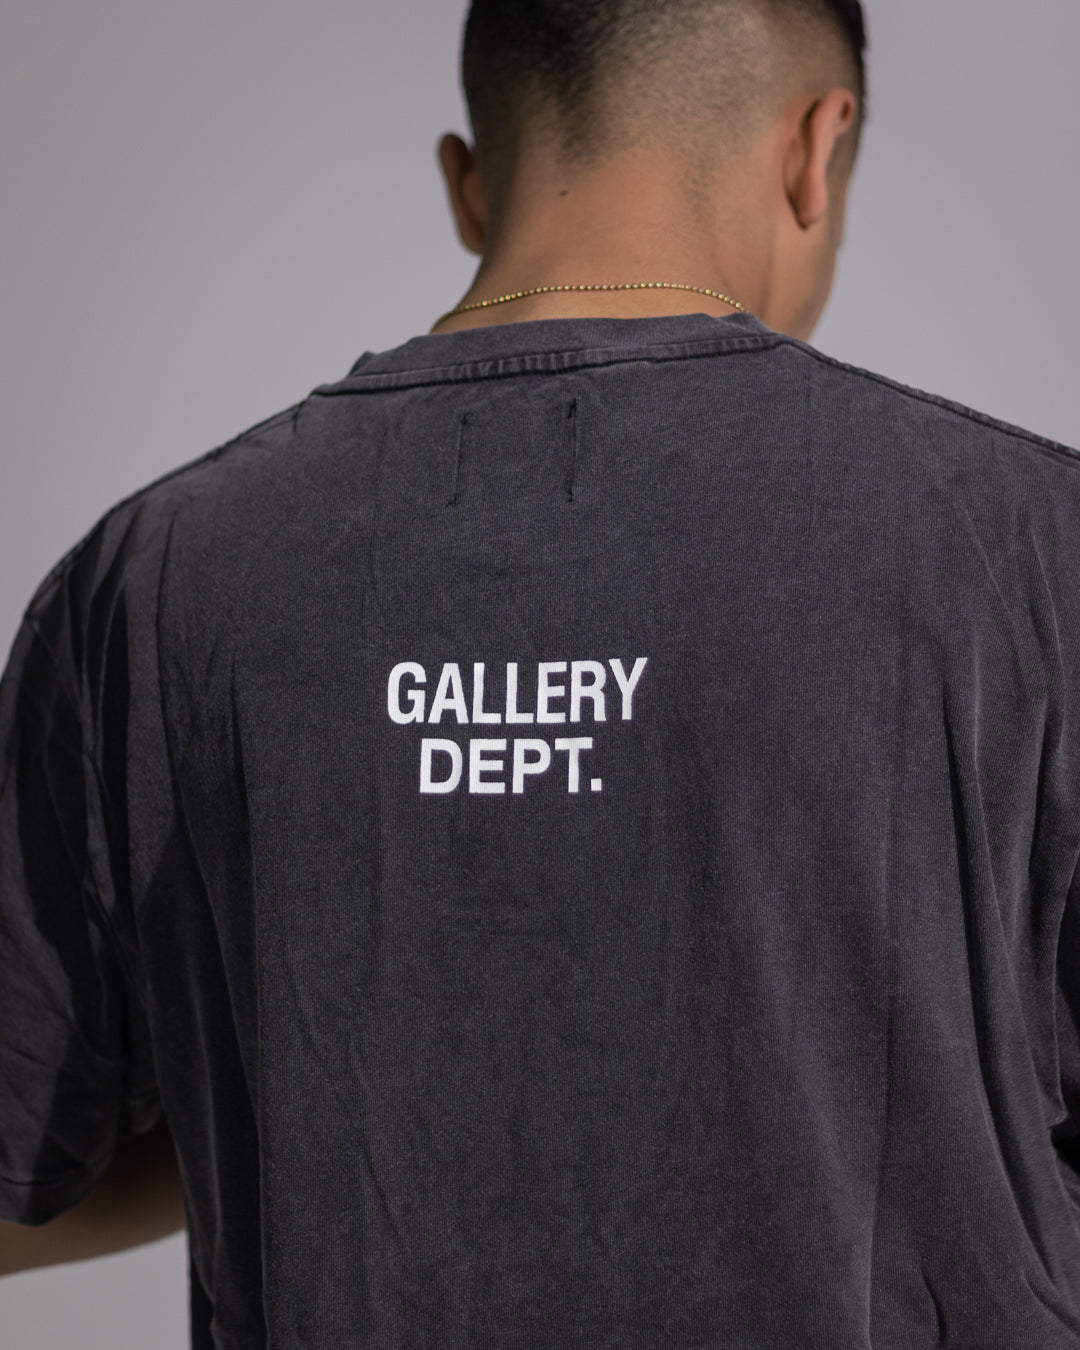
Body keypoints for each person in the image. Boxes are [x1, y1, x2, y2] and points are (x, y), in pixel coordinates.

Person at [3, 0, 1080, 1345]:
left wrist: (288, 1115)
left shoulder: (153, 582)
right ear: (816, 148)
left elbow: (17, 1175)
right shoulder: (1030, 553)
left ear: (469, 184)